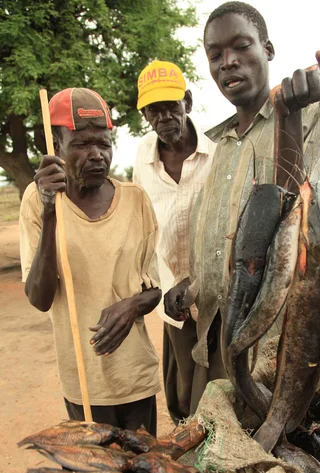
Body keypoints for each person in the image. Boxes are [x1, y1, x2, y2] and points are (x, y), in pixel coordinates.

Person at [165, 1, 320, 413]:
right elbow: (222, 240)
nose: (227, 62)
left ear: (267, 49)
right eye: (215, 55)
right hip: (224, 343)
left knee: (290, 463)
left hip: (287, 348)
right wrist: (190, 285)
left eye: (241, 46)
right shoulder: (222, 145)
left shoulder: (311, 112)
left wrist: (288, 116)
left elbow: (296, 214)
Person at [20, 87, 161, 434]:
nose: (97, 155)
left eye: (104, 143)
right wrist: (51, 210)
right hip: (82, 383)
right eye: (82, 144)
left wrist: (130, 306)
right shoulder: (37, 202)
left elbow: (155, 290)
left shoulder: (135, 201)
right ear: (56, 143)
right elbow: (39, 298)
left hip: (135, 378)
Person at [133, 61, 218, 423]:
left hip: (216, 291)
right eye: (154, 110)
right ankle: (186, 450)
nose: (165, 116)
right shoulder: (142, 157)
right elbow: (144, 223)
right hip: (172, 295)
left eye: (171, 105)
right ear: (146, 115)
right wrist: (167, 284)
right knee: (183, 386)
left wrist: (197, 280)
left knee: (217, 382)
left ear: (188, 102)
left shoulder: (219, 154)